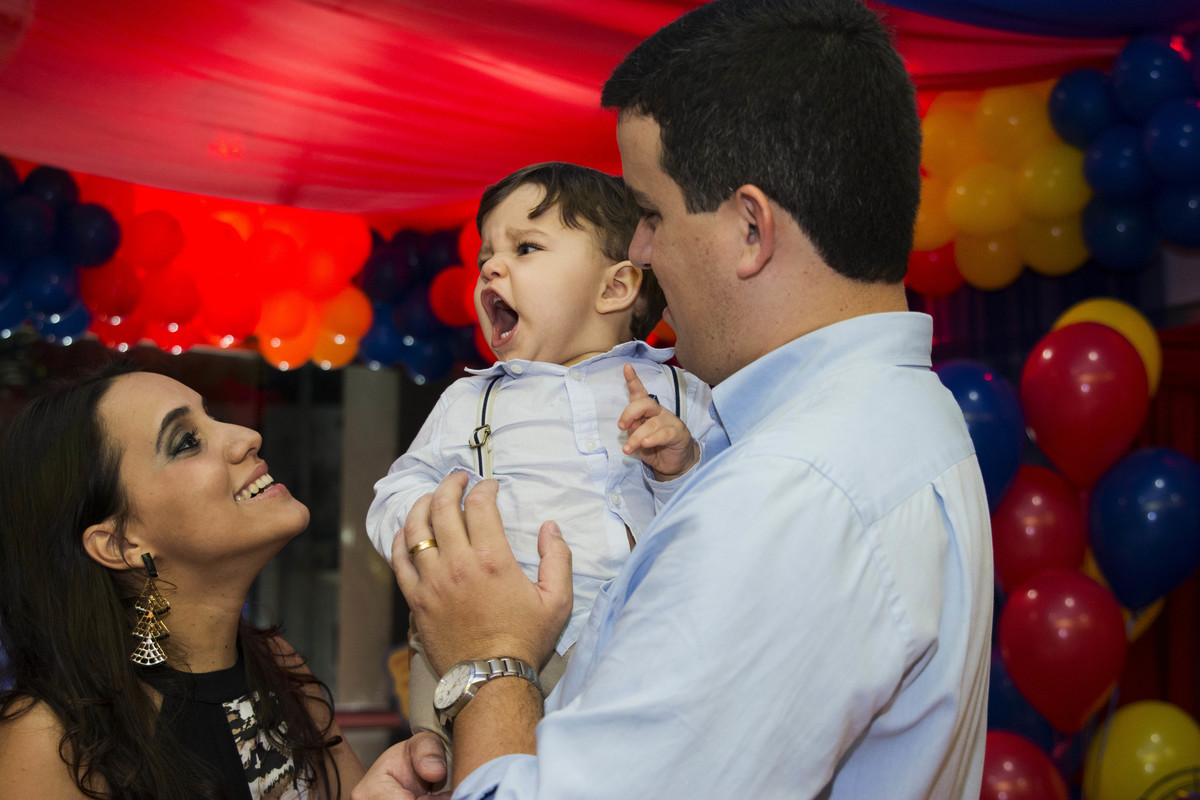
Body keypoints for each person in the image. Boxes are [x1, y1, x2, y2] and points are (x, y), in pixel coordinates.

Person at [353, 0, 993, 798]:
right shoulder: (902, 418)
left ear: (751, 231)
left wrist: (488, 659)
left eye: (650, 214)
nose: (644, 251)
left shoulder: (789, 496)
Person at [366, 161, 718, 755]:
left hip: (639, 646)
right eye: (486, 257)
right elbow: (395, 491)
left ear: (615, 288)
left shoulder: (683, 394)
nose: (490, 268)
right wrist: (437, 529)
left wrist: (679, 469)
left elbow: (727, 520)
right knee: (453, 752)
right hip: (502, 644)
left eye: (525, 248)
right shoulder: (472, 399)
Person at [0, 361, 366, 799]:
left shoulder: (278, 667)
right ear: (120, 544)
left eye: (213, 417)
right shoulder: (53, 736)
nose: (248, 437)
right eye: (187, 442)